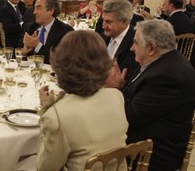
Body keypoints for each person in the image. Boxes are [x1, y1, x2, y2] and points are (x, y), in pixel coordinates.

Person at [107, 19, 195, 171]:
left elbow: (128, 117)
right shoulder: (158, 62)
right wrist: (120, 86)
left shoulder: (167, 77)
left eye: (135, 43)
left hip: (150, 154)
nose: (132, 48)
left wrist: (112, 89)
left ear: (152, 48)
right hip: (145, 137)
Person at [36, 30, 128, 170]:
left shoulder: (57, 117)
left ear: (61, 66)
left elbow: (44, 167)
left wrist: (46, 110)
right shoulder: (116, 96)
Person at [20, 0, 74, 64]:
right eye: (34, 8)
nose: (34, 12)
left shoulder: (65, 31)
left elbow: (60, 59)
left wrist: (37, 45)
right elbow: (19, 51)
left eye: (38, 8)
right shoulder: (31, 27)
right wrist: (24, 52)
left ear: (51, 11)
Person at [101, 0, 139, 85]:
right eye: (103, 20)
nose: (103, 26)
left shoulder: (136, 43)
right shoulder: (103, 37)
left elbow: (125, 77)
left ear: (124, 23)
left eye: (108, 22)